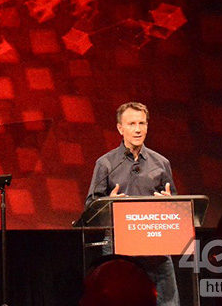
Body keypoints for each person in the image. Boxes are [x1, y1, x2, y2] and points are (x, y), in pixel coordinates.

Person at [86, 102, 180, 306]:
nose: (138, 129)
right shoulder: (106, 163)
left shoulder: (161, 163)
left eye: (142, 123)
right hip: (119, 245)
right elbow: (90, 205)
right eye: (131, 124)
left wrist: (168, 202)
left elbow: (177, 206)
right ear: (120, 128)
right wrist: (108, 203)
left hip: (155, 243)